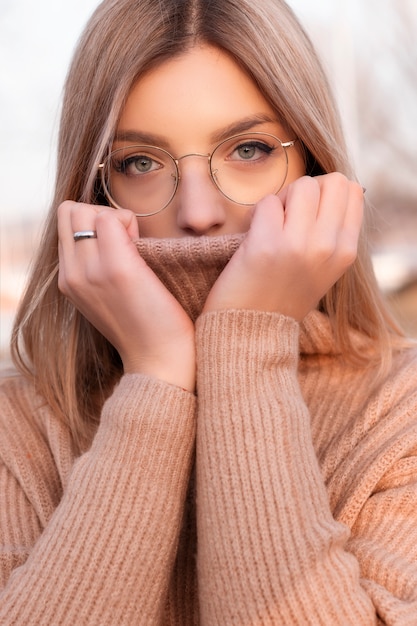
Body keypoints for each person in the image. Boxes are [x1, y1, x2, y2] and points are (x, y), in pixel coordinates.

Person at [1, 0, 417, 623]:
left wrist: (245, 351)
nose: (198, 212)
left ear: (316, 168)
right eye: (139, 163)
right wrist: (158, 376)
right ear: (88, 194)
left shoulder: (401, 412)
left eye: (248, 150)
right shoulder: (19, 430)